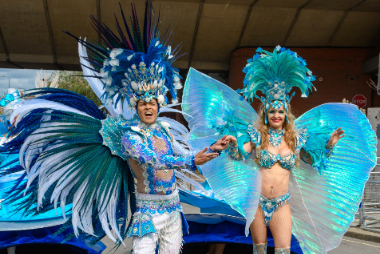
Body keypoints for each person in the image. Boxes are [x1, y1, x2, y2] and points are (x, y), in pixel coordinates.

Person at [0, 2, 218, 254]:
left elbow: (182, 154)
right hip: (147, 212)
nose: (148, 107)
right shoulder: (129, 137)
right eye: (142, 103)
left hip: (173, 208)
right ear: (136, 106)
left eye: (152, 102)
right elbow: (152, 160)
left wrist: (211, 149)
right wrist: (191, 159)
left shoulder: (165, 131)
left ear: (160, 104)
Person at [181, 47, 377, 254]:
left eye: (280, 111)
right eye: (272, 111)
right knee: (259, 249)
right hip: (257, 201)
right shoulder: (256, 136)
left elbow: (311, 160)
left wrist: (328, 146)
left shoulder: (295, 138)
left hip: (282, 203)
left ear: (286, 113)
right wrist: (231, 142)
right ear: (266, 113)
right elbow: (240, 155)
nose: (276, 115)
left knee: (283, 250)